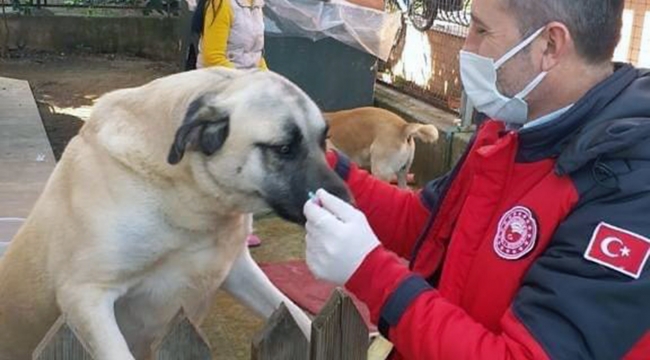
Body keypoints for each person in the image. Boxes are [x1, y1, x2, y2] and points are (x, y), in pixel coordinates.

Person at [303, 0, 650, 359]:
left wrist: (372, 273)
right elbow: (423, 223)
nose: (466, 49)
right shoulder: (511, 130)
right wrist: (321, 164)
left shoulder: (628, 184)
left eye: (481, 31)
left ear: (549, 46)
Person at [186, 0, 267, 246]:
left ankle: (239, 230)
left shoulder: (256, 5)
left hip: (244, 89)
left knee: (245, 160)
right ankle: (206, 229)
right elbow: (213, 56)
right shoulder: (221, 4)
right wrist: (250, 83)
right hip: (218, 89)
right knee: (221, 161)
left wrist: (269, 80)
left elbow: (256, 56)